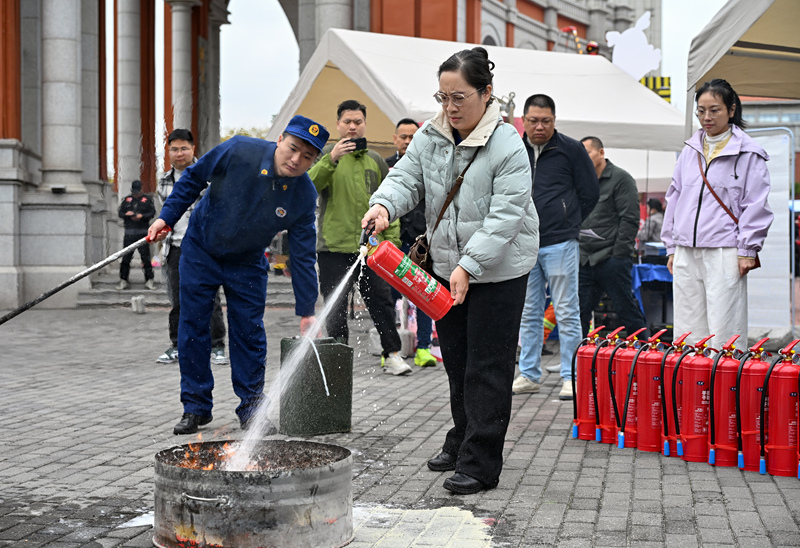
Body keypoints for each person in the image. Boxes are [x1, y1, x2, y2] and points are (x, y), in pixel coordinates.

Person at [362, 47, 540, 495]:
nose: (450, 107)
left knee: (488, 364)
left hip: (498, 271)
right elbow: (406, 179)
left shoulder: (508, 144)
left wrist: (469, 265)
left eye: (459, 97)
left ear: (486, 93)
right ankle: (462, 439)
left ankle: (481, 462)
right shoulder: (430, 135)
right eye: (442, 97)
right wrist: (382, 206)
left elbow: (506, 215)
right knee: (456, 360)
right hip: (446, 266)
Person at [147, 115, 329, 435]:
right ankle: (196, 407)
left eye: (308, 156)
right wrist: (166, 218)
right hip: (201, 250)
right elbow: (192, 178)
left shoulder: (303, 195)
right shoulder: (238, 149)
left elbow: (301, 257)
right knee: (193, 327)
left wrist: (305, 311)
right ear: (281, 139)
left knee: (249, 334)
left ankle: (251, 409)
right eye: (293, 148)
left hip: (247, 262)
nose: (297, 159)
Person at [662, 78, 773, 345]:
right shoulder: (689, 151)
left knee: (725, 325)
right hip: (686, 248)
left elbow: (755, 203)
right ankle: (690, 383)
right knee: (688, 327)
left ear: (731, 110)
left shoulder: (749, 153)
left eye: (714, 110)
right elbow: (675, 197)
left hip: (725, 249)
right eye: (701, 110)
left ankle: (726, 384)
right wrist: (671, 247)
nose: (706, 117)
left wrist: (748, 249)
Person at [309, 100, 411, 376]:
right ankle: (339, 359)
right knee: (336, 306)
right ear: (338, 124)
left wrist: (392, 242)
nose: (352, 126)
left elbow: (391, 203)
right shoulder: (327, 156)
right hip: (333, 246)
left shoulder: (375, 160)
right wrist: (331, 160)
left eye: (358, 121)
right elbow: (309, 186)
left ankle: (391, 354)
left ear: (365, 124)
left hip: (371, 248)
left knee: (381, 301)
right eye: (347, 122)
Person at [514, 94, 599, 400]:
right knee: (528, 311)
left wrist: (569, 221)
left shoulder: (571, 149)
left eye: (546, 121)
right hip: (523, 243)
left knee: (566, 310)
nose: (539, 126)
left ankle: (571, 375)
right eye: (534, 120)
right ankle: (529, 374)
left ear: (554, 120)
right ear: (523, 120)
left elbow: (590, 191)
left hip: (560, 240)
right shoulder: (514, 147)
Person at [156, 129, 228, 366]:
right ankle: (177, 345)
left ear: (193, 149)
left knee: (210, 298)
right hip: (174, 247)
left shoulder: (209, 175)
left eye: (184, 148)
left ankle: (217, 345)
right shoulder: (163, 181)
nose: (179, 154)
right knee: (177, 299)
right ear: (168, 152)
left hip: (204, 247)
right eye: (174, 149)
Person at [578, 136, 647, 338]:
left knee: (626, 310)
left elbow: (630, 219)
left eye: (588, 152)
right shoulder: (581, 180)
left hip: (611, 258)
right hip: (585, 259)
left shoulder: (621, 179)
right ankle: (577, 362)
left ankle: (644, 355)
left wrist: (618, 256)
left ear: (601, 153)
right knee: (578, 314)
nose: (584, 158)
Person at [385, 118, 436, 367]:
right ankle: (391, 350)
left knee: (422, 295)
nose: (407, 141)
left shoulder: (430, 168)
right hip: (392, 244)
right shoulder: (385, 168)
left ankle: (423, 347)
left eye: (412, 137)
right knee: (389, 297)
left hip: (421, 246)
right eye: (403, 136)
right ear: (394, 139)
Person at [117, 180, 156, 290]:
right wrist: (127, 214)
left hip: (142, 232)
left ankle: (149, 279)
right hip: (129, 232)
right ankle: (123, 280)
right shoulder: (127, 200)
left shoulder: (147, 200)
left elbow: (152, 213)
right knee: (126, 257)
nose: (136, 194)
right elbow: (120, 213)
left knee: (145, 257)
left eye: (137, 192)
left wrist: (141, 216)